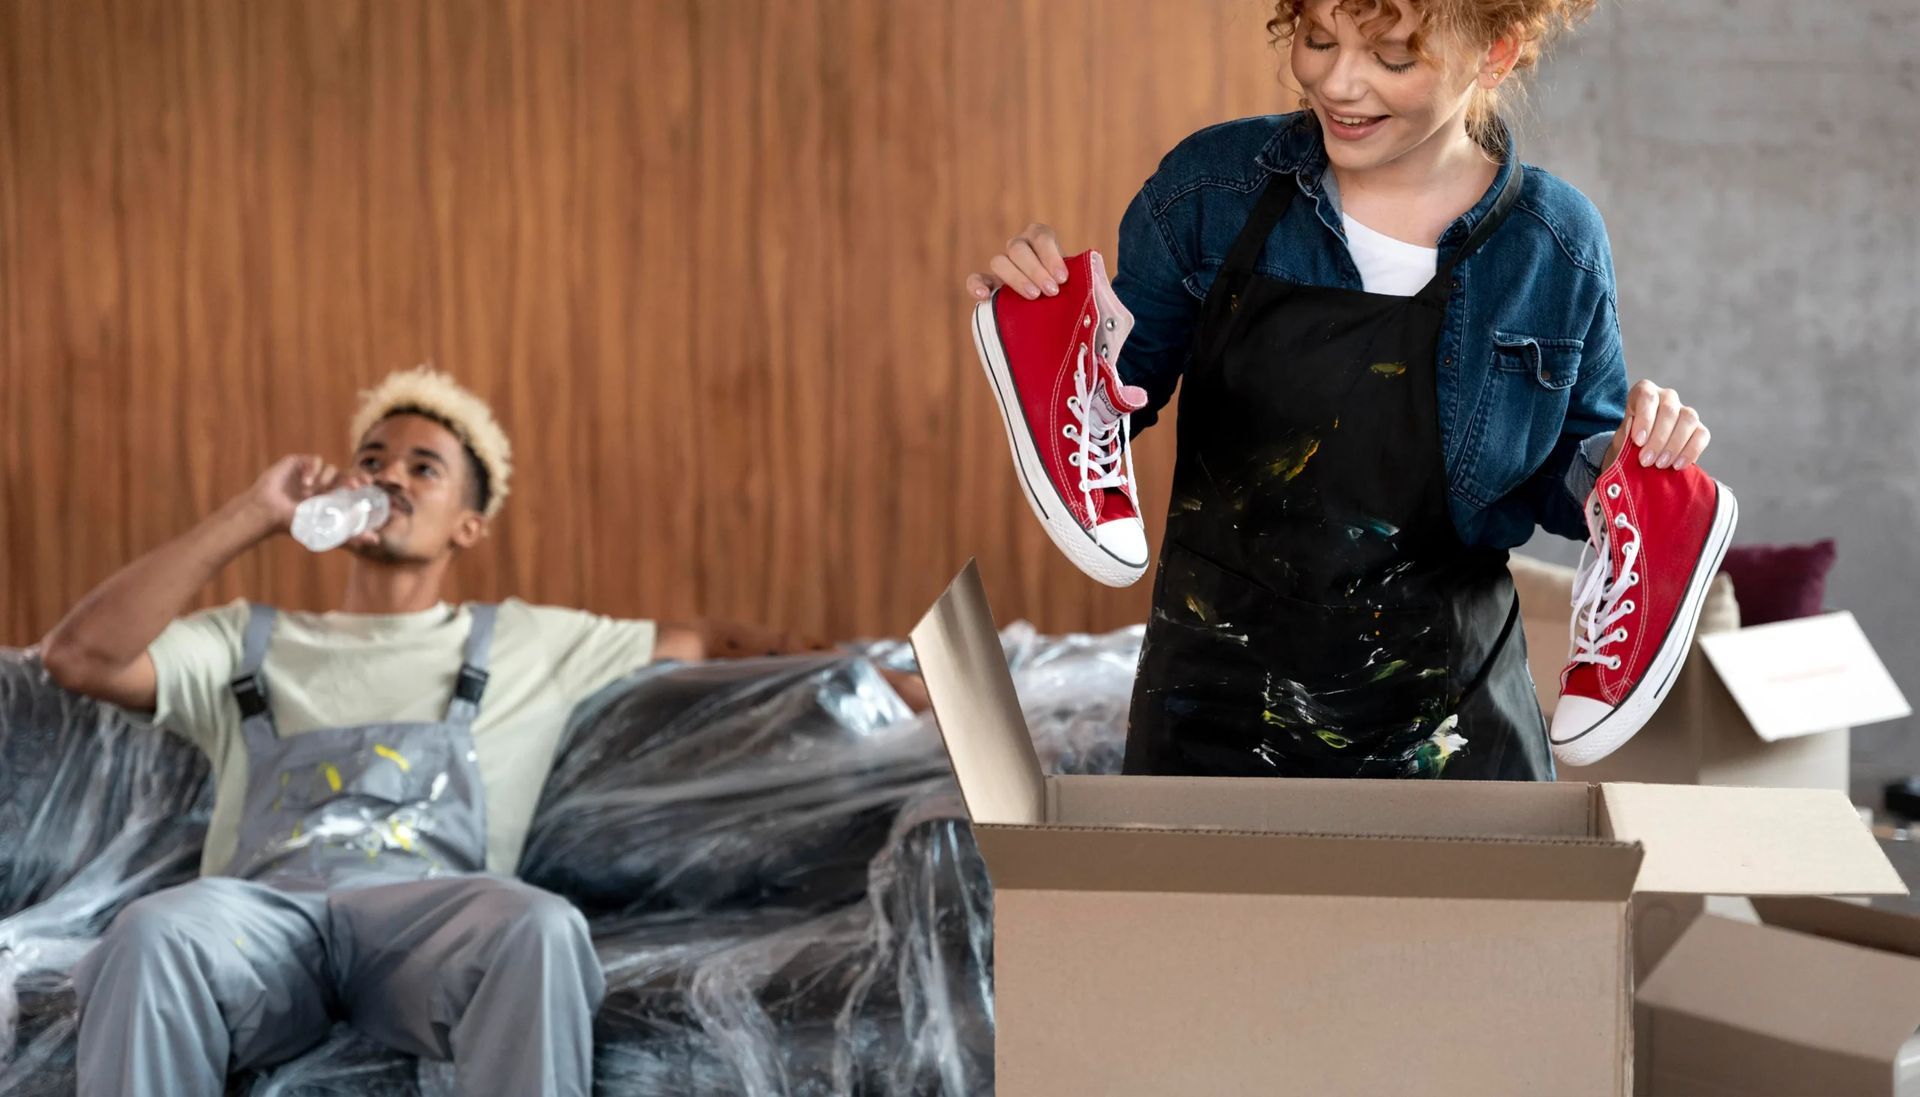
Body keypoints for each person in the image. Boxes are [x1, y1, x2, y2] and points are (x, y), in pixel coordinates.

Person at [965, 0, 1712, 780]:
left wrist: (1625, 460)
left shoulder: (1553, 244)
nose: (1338, 83)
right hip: (1218, 719)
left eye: (1392, 57)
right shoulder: (1212, 191)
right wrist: (1050, 325)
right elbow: (1122, 393)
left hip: (1453, 732)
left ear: (1494, 54)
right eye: (1318, 40)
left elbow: (1565, 480)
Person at [38, 367, 710, 1097]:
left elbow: (712, 644)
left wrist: (846, 665)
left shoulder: (527, 640)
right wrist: (254, 513)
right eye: (372, 459)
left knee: (538, 926)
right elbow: (79, 657)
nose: (390, 475)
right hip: (262, 925)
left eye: (424, 467)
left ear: (468, 524)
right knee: (151, 932)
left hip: (430, 925)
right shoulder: (247, 639)